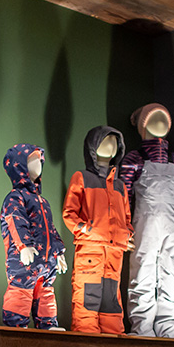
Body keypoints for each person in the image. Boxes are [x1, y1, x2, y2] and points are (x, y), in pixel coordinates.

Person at [120, 103, 174, 338]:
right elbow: (123, 197)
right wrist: (125, 227)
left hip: (173, 224)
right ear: (142, 126)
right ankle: (142, 327)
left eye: (164, 119)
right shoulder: (134, 159)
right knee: (143, 271)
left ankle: (171, 326)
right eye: (153, 118)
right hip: (145, 224)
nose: (160, 123)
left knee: (171, 272)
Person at [63, 126, 132, 334]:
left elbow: (126, 216)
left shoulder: (120, 185)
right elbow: (69, 213)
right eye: (105, 141)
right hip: (90, 250)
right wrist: (86, 229)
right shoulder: (82, 178)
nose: (111, 145)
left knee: (111, 300)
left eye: (114, 141)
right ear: (93, 147)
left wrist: (126, 234)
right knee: (87, 300)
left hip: (114, 252)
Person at [0, 144, 67, 329]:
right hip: (24, 260)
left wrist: (59, 251)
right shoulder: (15, 197)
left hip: (46, 261)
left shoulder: (42, 202)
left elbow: (50, 229)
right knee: (20, 292)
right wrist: (23, 246)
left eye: (39, 160)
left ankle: (48, 325)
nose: (38, 163)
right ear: (18, 166)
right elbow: (15, 220)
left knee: (45, 294)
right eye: (32, 159)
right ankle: (15, 326)